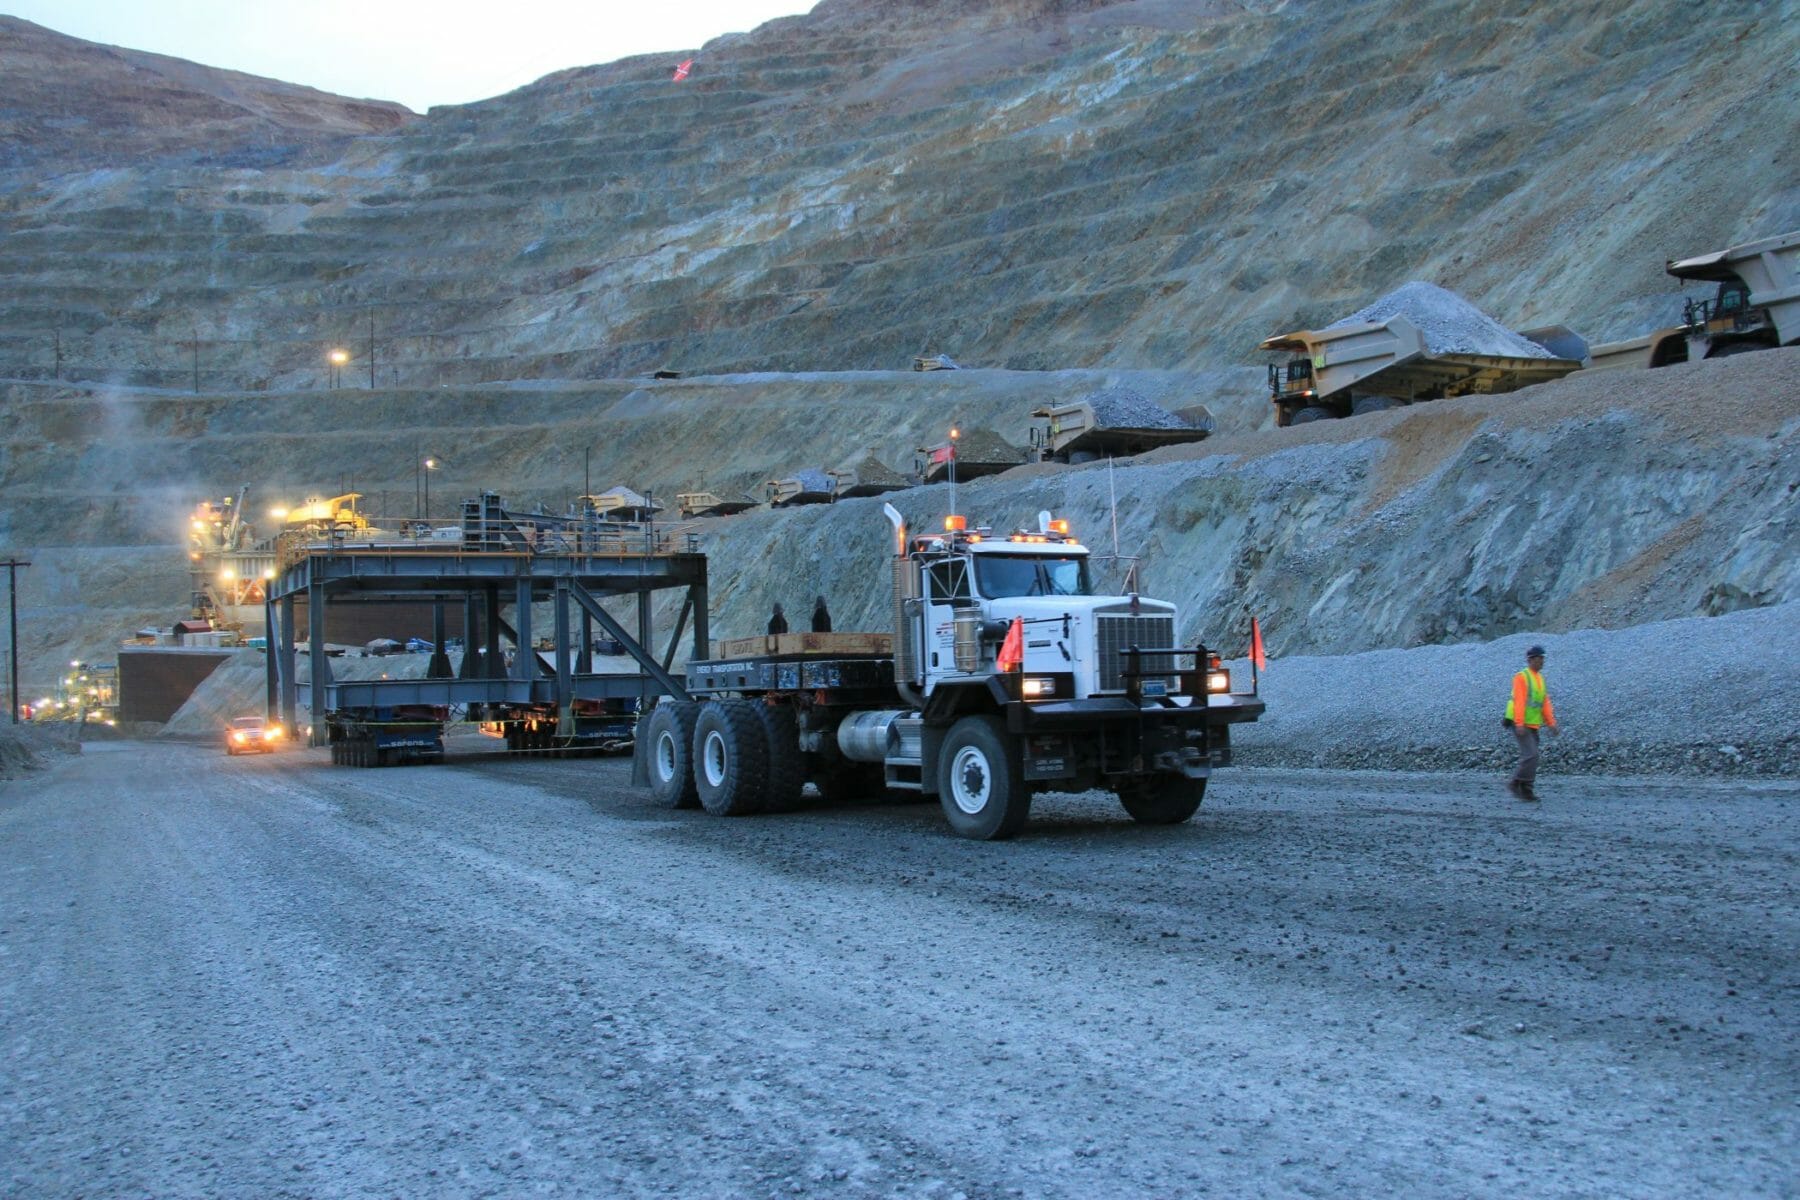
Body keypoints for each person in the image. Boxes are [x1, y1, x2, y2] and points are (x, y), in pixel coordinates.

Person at [1502, 645, 1559, 801]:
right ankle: (1516, 783)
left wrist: (1551, 723)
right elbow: (1519, 701)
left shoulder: (1540, 679)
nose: (1542, 661)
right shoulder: (1522, 677)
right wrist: (1519, 724)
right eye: (1539, 658)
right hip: (1520, 723)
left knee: (1533, 756)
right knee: (1531, 755)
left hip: (1532, 724)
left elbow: (1544, 703)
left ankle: (1526, 789)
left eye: (1543, 658)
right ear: (1531, 660)